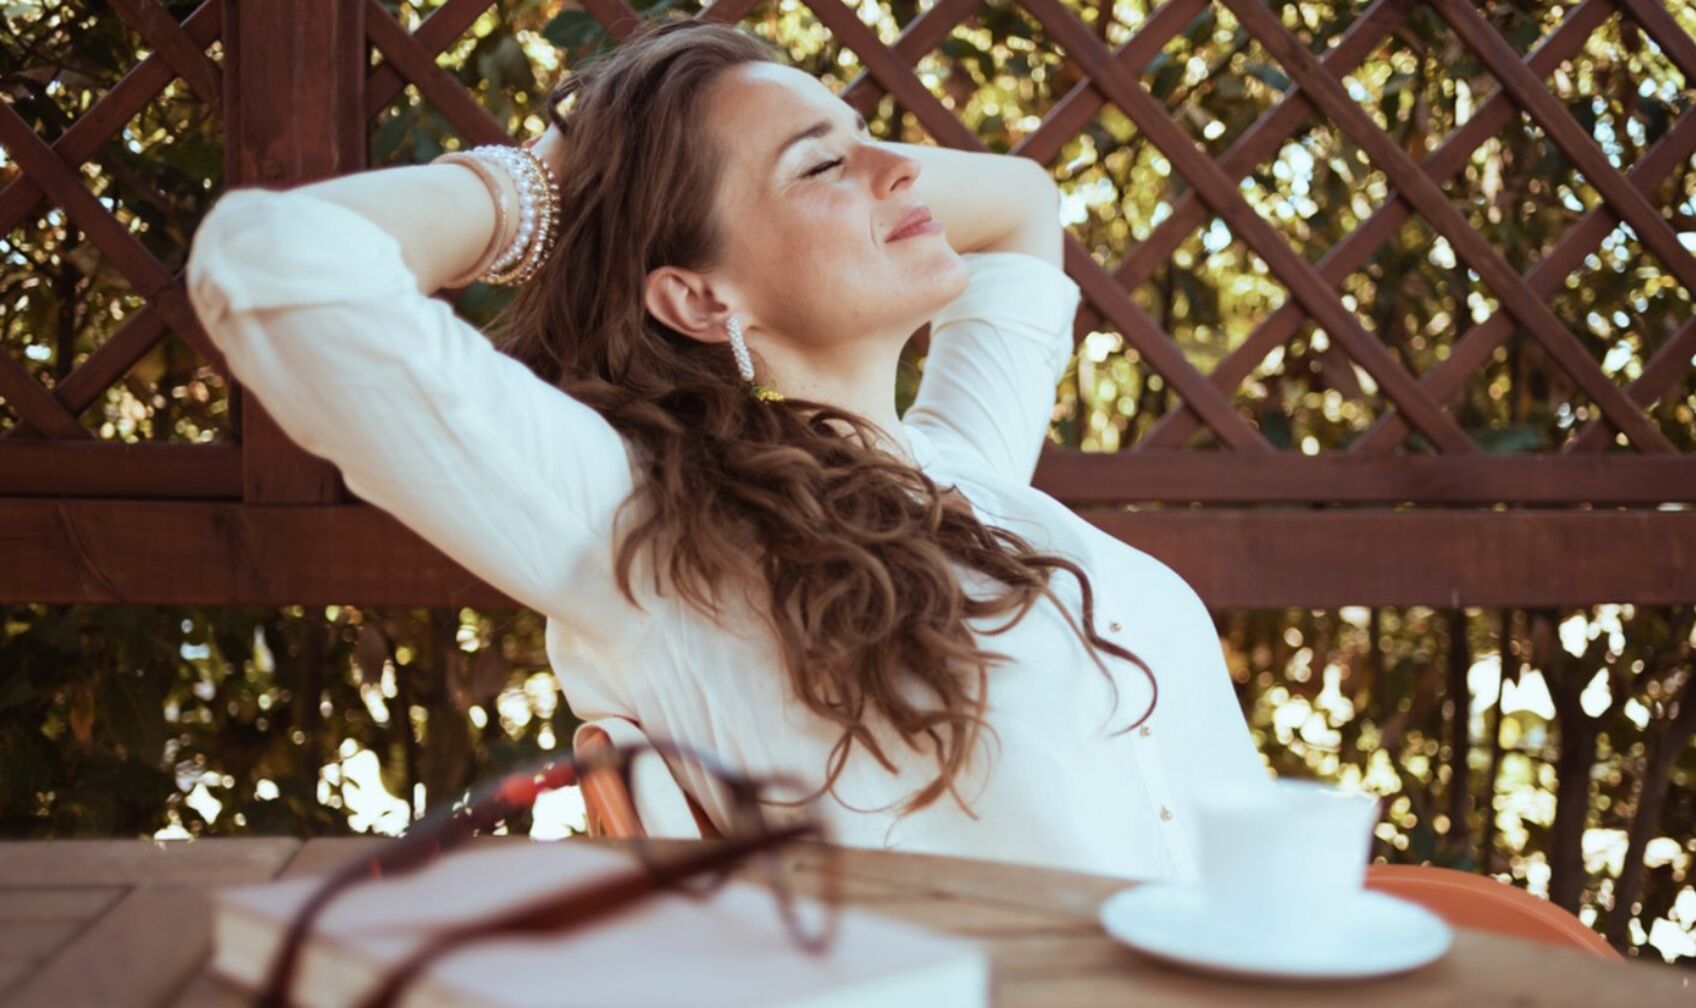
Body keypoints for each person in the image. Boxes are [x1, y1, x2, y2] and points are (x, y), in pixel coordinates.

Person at [184, 14, 1268, 882]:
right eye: (821, 166)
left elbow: (1026, 202)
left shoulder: (968, 470)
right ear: (698, 297)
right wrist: (541, 187)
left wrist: (825, 150)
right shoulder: (637, 527)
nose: (903, 170)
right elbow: (275, 266)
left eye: (872, 139)